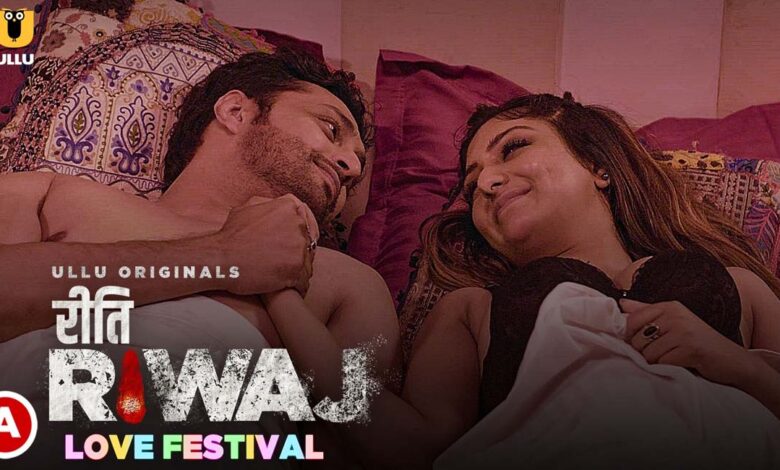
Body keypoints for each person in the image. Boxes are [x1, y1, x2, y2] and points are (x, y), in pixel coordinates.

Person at [257, 93, 780, 469]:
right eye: (472, 185)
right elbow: (407, 447)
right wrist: (277, 288)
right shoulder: (470, 310)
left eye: (513, 148)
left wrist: (735, 364)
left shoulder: (740, 287)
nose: (487, 181)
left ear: (597, 165)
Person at [0, 47, 400, 466]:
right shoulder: (54, 194)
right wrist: (222, 256)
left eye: (356, 168)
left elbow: (360, 448)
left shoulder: (347, 284)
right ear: (235, 111)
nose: (352, 167)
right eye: (331, 129)